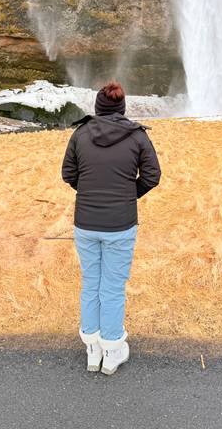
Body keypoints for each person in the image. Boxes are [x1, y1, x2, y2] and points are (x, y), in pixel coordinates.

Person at [61, 81, 161, 375]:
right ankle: (113, 349)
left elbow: (68, 174)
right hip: (120, 225)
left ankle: (92, 350)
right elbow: (152, 176)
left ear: (97, 107)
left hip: (86, 224)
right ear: (122, 108)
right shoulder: (137, 137)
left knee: (92, 284)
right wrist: (128, 195)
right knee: (113, 288)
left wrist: (89, 190)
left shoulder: (80, 135)